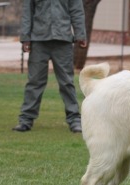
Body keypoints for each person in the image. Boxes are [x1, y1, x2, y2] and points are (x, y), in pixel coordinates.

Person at [13, 0, 87, 133]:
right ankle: (26, 120)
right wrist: (25, 38)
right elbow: (27, 13)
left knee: (67, 82)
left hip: (63, 40)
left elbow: (77, 11)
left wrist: (80, 34)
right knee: (34, 82)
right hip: (38, 40)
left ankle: (75, 120)